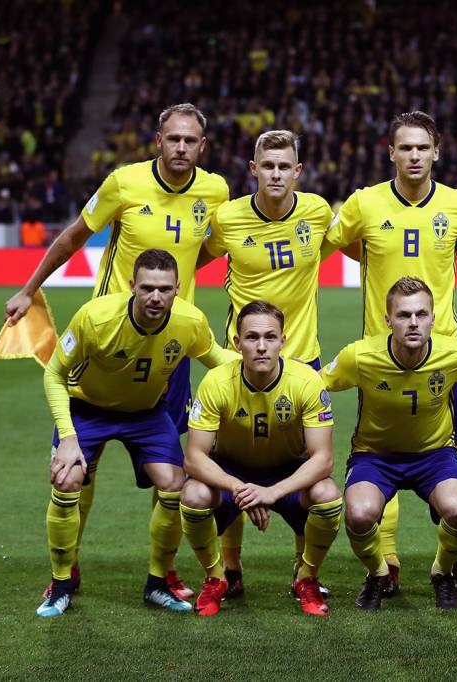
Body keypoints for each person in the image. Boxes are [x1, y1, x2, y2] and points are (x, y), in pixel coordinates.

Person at [6, 103, 230, 600]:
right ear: (157, 141)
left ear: (202, 147)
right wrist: (29, 288)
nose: (180, 148)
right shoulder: (123, 183)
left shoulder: (215, 191)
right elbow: (74, 236)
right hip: (106, 343)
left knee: (170, 474)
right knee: (78, 473)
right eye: (172, 138)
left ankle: (163, 571)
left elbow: (210, 248)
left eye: (190, 141)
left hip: (171, 350)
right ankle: (67, 569)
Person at [324, 111, 457, 596]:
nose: (415, 156)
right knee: (382, 445)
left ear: (436, 152)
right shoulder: (364, 203)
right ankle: (388, 563)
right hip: (381, 354)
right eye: (406, 148)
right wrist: (371, 260)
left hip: (446, 354)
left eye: (423, 148)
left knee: (450, 453)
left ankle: (449, 564)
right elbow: (332, 242)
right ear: (392, 153)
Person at [37, 249, 233, 617]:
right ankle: (60, 583)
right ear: (132, 287)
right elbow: (54, 373)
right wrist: (67, 436)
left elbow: (218, 358)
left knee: (173, 484)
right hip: (87, 409)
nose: (155, 297)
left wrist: (271, 364)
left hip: (146, 414)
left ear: (178, 288)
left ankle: (157, 582)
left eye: (164, 289)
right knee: (66, 481)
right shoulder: (95, 318)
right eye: (147, 288)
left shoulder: (190, 322)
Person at [196, 129, 337, 599]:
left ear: (298, 172)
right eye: (267, 166)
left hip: (303, 359)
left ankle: (304, 574)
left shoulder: (317, 212)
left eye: (285, 166)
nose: (276, 174)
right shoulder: (229, 218)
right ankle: (230, 570)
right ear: (253, 169)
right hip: (240, 359)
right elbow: (191, 259)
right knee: (232, 457)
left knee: (301, 463)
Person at [322, 277, 457, 610]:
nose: (414, 323)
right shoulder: (359, 357)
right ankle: (378, 574)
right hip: (375, 457)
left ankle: (443, 572)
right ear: (387, 319)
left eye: (421, 314)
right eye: (404, 315)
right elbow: (314, 382)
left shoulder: (454, 353)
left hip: (435, 456)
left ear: (434, 318)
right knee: (360, 514)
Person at [179, 300, 342, 617]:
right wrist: (240, 488)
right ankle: (216, 578)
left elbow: (323, 460)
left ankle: (307, 578)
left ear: (283, 340)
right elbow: (194, 458)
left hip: (287, 472)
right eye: (252, 338)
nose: (262, 346)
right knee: (194, 494)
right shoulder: (216, 382)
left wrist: (270, 493)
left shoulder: (307, 381)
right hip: (231, 472)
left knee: (327, 495)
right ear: (238, 343)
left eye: (270, 337)